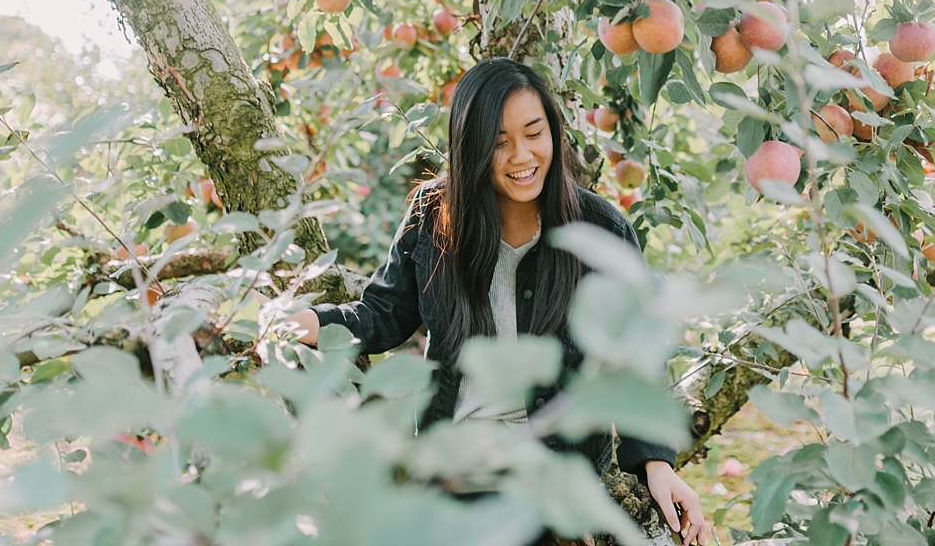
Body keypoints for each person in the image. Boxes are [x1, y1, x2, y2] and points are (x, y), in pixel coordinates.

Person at [287, 57, 707, 545]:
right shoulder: (432, 218)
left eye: (534, 133)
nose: (521, 156)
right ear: (471, 148)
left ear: (554, 132)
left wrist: (656, 462)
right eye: (499, 142)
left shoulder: (599, 230)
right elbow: (383, 313)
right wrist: (301, 322)